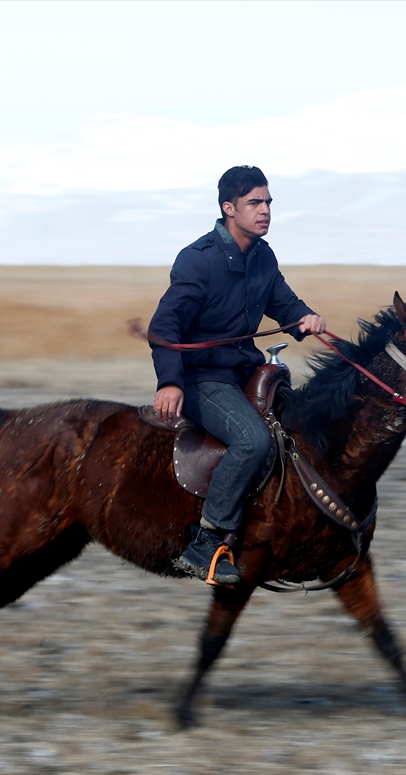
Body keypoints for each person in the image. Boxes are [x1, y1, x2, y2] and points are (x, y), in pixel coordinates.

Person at [148, 166, 325, 585]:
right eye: (254, 203)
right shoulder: (199, 260)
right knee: (252, 440)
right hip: (202, 378)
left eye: (268, 203)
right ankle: (205, 542)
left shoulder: (263, 256)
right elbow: (165, 325)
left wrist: (304, 317)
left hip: (244, 370)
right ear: (229, 208)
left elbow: (284, 303)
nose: (265, 211)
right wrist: (170, 382)